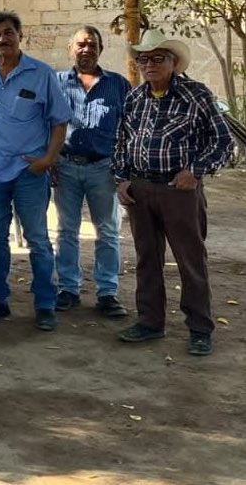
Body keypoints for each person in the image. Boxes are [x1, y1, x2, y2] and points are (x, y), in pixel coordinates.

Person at [113, 29, 233, 356]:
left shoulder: (196, 94)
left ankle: (199, 328)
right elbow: (122, 143)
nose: (149, 64)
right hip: (140, 188)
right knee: (146, 259)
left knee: (190, 260)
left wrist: (195, 171)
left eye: (157, 58)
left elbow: (223, 142)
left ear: (173, 62)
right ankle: (151, 322)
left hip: (179, 190)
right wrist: (121, 179)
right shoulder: (134, 98)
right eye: (144, 59)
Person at [0, 11, 69, 331]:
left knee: (37, 237)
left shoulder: (41, 74)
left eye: (8, 33)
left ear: (21, 35)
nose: (2, 39)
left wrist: (48, 159)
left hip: (29, 172)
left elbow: (59, 121)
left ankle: (45, 302)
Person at [53, 26, 130, 318]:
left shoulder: (118, 85)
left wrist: (124, 171)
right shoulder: (56, 82)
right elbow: (45, 123)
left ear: (101, 49)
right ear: (70, 48)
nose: (87, 49)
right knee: (66, 231)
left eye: (92, 45)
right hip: (65, 167)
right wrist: (49, 162)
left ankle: (107, 292)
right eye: (81, 44)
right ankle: (68, 289)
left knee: (108, 232)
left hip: (103, 168)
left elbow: (129, 129)